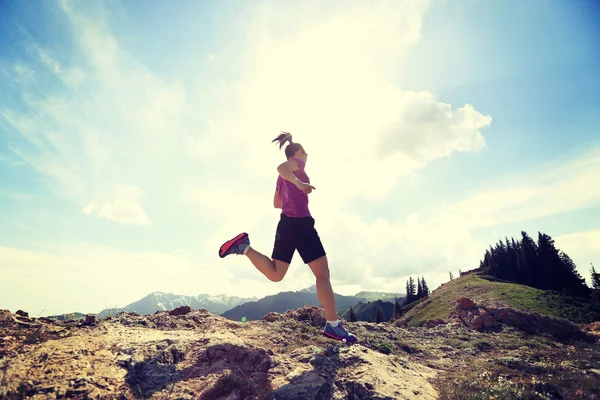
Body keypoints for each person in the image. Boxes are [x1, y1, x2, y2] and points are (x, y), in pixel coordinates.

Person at [219, 132, 357, 342]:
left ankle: (244, 247)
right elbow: (281, 168)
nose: (307, 156)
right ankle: (333, 325)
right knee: (323, 275)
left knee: (276, 274)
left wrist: (294, 191)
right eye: (305, 153)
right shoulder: (296, 164)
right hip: (301, 224)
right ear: (298, 153)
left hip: (286, 224)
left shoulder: (282, 178)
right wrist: (300, 185)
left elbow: (277, 203)